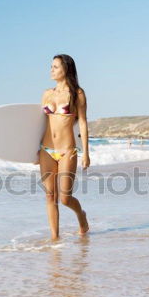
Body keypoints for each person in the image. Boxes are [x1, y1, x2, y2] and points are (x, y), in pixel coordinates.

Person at [33, 54, 90, 241]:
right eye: (51, 66)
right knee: (50, 196)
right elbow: (39, 123)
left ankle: (81, 215)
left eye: (55, 67)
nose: (51, 70)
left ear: (66, 69)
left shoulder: (77, 94)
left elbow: (82, 123)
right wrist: (31, 149)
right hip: (46, 150)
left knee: (65, 198)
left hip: (67, 151)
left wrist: (86, 153)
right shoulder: (46, 94)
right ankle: (54, 238)